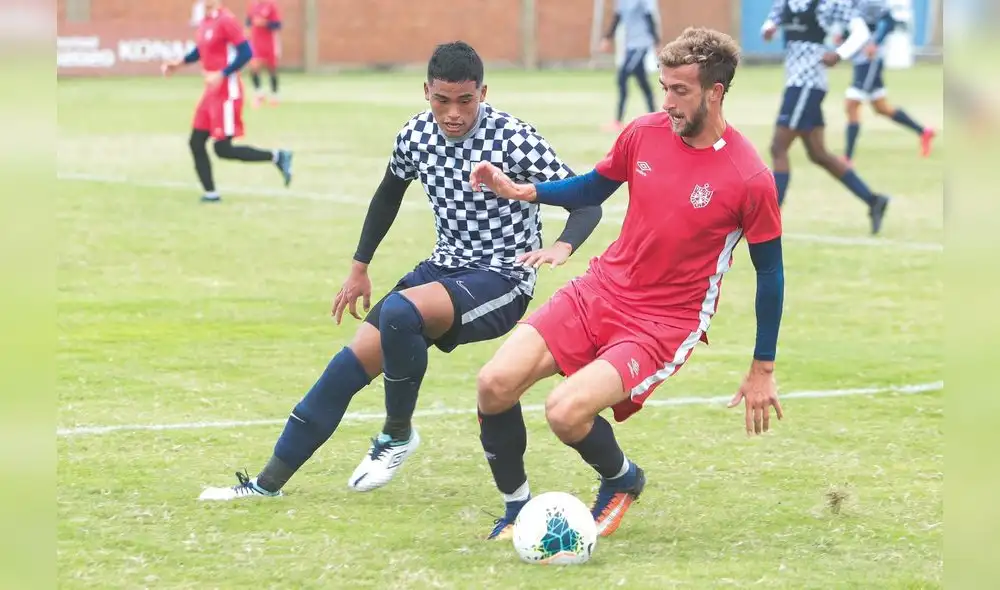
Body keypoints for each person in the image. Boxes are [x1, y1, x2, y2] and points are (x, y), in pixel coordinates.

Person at [197, 41, 604, 501]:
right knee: (345, 369)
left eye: (465, 101)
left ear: (483, 92)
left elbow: (586, 200)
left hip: (503, 278)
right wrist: (359, 268)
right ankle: (264, 486)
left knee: (399, 313)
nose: (453, 113)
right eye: (441, 100)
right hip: (445, 266)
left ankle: (396, 434)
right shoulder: (414, 135)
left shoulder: (512, 137)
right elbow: (387, 195)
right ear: (425, 91)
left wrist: (562, 246)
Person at [467, 27, 786, 541]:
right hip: (601, 288)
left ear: (715, 91)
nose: (668, 103)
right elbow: (594, 184)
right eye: (664, 88)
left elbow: (770, 272)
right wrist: (520, 190)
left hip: (663, 322)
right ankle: (515, 509)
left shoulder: (749, 177)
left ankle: (621, 480)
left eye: (679, 91)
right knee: (493, 384)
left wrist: (762, 367)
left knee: (565, 412)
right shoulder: (645, 131)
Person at [761, 0, 890, 234]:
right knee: (819, 155)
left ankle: (769, 220)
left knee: (778, 147)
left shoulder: (827, 4)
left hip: (807, 84)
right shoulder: (785, 3)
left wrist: (840, 54)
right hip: (795, 81)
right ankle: (874, 200)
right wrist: (768, 29)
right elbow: (771, 21)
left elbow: (860, 32)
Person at [162, 0, 293, 203]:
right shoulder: (207, 21)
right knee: (196, 142)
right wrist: (178, 64)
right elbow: (200, 50)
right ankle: (211, 194)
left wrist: (222, 74)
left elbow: (246, 52)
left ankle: (277, 156)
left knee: (222, 148)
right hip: (211, 93)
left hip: (227, 92)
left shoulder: (226, 20)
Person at [841, 0, 935, 162]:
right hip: (860, 59)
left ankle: (847, 159)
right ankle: (923, 132)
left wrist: (875, 44)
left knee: (851, 105)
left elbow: (889, 21)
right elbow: (857, 24)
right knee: (882, 107)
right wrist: (843, 36)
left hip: (870, 60)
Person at [599, 0, 660, 132]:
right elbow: (617, 18)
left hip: (641, 44)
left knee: (622, 77)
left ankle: (617, 121)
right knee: (642, 81)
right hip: (630, 46)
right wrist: (607, 38)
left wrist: (656, 42)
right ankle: (656, 116)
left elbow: (649, 17)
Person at [245, 0, 282, 107]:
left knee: (272, 69)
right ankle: (259, 93)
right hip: (256, 43)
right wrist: (246, 32)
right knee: (254, 66)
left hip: (269, 43)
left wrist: (265, 23)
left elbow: (278, 25)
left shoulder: (271, 5)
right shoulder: (253, 5)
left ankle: (274, 94)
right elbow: (248, 21)